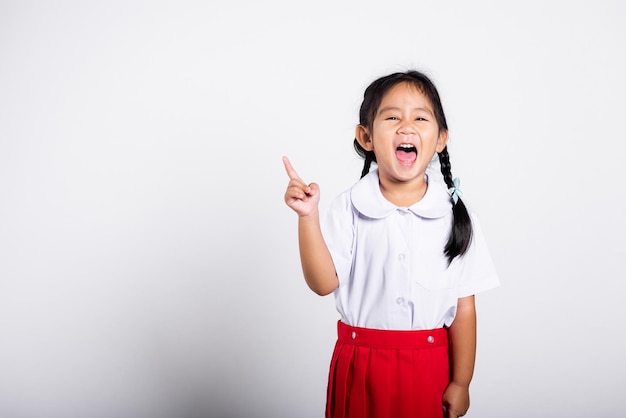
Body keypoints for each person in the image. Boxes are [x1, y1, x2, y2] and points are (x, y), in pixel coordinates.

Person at [282, 70, 499, 418]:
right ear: (366, 137)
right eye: (392, 116)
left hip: (428, 367)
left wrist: (461, 382)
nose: (406, 127)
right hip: (359, 365)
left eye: (421, 117)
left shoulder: (453, 215)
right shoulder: (348, 206)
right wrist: (308, 217)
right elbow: (323, 284)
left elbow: (464, 309)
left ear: (441, 137)